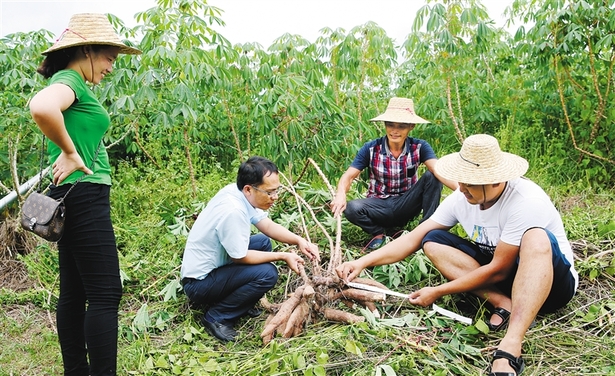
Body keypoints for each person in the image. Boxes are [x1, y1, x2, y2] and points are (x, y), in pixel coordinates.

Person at [336, 134, 578, 376]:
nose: (460, 188)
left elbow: (499, 269)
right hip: (507, 279)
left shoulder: (525, 200)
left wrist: (439, 291)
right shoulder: (463, 199)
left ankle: (511, 344)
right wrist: (361, 262)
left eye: (470, 183)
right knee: (431, 241)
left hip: (551, 286)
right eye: (461, 180)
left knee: (535, 237)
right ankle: (503, 302)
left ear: (495, 181)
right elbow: (412, 238)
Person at [28, 13, 141, 376]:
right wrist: (71, 151)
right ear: (88, 51)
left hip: (73, 195)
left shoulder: (76, 83)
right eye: (109, 57)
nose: (111, 66)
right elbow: (41, 106)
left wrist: (70, 149)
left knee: (75, 294)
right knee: (106, 293)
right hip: (85, 195)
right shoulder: (69, 81)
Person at [180, 156, 320, 343]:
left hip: (216, 264)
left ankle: (239, 301)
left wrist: (299, 241)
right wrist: (283, 255)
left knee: (262, 242)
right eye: (269, 192)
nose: (275, 197)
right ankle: (217, 316)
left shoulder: (237, 192)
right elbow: (240, 257)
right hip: (198, 284)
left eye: (276, 191)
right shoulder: (233, 211)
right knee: (267, 273)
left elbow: (266, 226)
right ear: (248, 189)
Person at [330, 97, 458, 250]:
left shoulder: (420, 147)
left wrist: (462, 190)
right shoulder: (371, 148)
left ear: (411, 126)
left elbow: (439, 170)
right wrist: (340, 194)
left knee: (432, 176)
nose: (395, 131)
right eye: (390, 125)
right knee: (352, 208)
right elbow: (348, 176)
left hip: (406, 203)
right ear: (385, 125)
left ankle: (425, 231)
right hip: (379, 206)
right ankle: (378, 233)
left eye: (401, 126)